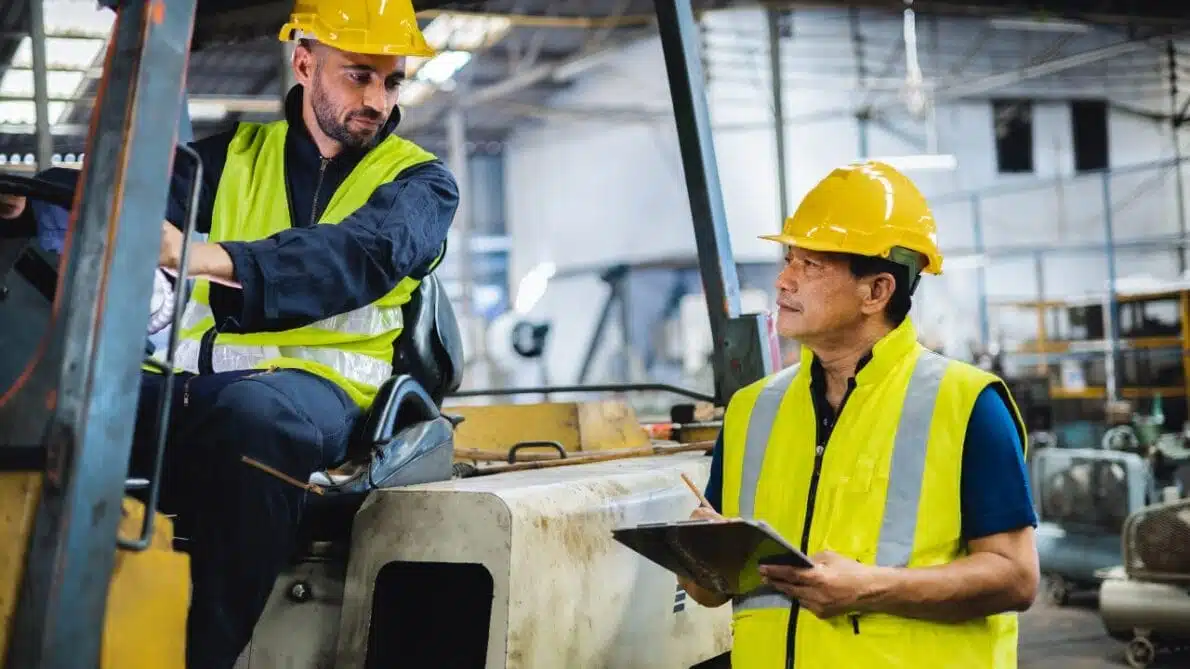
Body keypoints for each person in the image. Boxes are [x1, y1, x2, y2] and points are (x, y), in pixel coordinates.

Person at [1, 1, 458, 667]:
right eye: (359, 76)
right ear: (305, 64)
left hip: (322, 395)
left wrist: (204, 255)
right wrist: (30, 201)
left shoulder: (420, 184)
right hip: (194, 387)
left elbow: (355, 256)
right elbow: (126, 194)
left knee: (255, 422)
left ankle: (203, 655)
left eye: (391, 82)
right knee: (51, 406)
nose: (377, 101)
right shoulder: (230, 158)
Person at [679, 161, 1039, 668]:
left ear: (877, 291)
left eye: (811, 265)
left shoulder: (967, 404)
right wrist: (699, 553)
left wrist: (870, 588)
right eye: (789, 260)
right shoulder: (751, 410)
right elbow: (711, 592)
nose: (783, 281)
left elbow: (1016, 577)